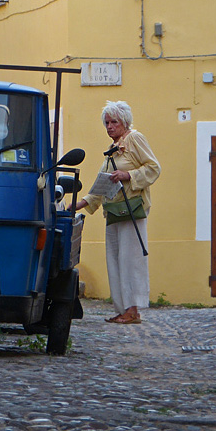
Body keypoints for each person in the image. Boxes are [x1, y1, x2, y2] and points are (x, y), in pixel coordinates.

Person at [76, 101, 160, 324]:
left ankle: (133, 311)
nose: (109, 126)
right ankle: (124, 308)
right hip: (114, 211)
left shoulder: (134, 139)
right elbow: (103, 184)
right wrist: (82, 203)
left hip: (131, 211)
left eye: (114, 122)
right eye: (106, 122)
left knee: (130, 260)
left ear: (124, 122)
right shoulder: (113, 150)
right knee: (115, 260)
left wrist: (128, 176)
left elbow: (153, 168)